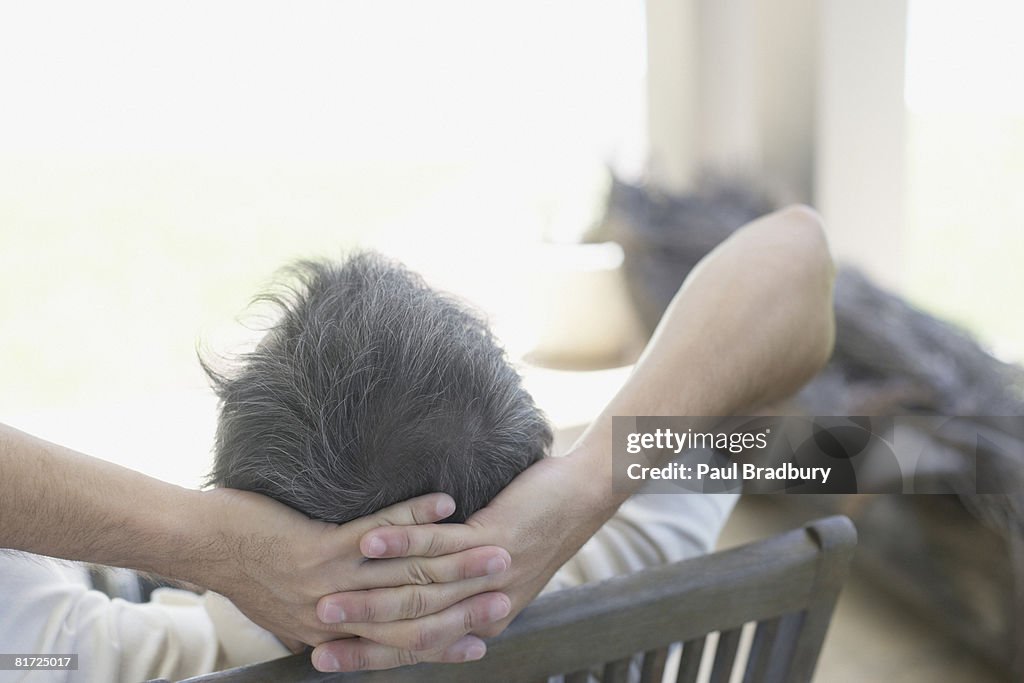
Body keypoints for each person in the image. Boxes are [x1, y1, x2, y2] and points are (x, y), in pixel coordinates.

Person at [0, 204, 835, 678]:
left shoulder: (114, 661)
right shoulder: (631, 552)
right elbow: (796, 250)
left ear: (245, 515)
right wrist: (587, 481)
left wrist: (200, 539)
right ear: (526, 466)